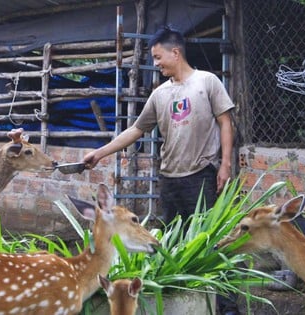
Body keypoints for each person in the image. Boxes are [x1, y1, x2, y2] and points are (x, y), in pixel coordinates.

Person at [82, 26, 238, 315]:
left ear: (175, 52)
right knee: (174, 244)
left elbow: (225, 122)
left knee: (209, 245)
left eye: (157, 57)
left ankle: (226, 308)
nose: (155, 63)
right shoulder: (160, 94)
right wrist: (101, 152)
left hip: (201, 174)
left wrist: (225, 165)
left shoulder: (208, 82)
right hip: (169, 178)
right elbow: (137, 129)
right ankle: (184, 303)